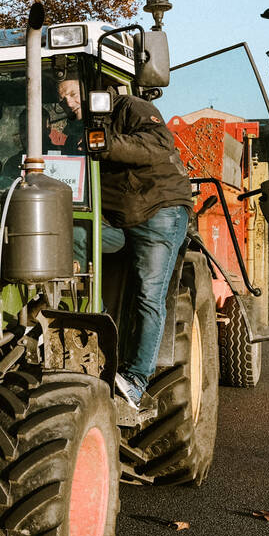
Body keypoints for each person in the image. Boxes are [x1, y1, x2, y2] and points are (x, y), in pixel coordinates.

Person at [68, 77, 193, 411]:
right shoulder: (71, 128)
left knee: (148, 295)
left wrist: (105, 143)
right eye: (61, 95)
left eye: (71, 93)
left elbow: (159, 142)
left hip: (158, 210)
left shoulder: (131, 108)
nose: (67, 101)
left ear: (92, 91)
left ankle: (136, 381)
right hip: (118, 219)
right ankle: (95, 339)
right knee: (76, 234)